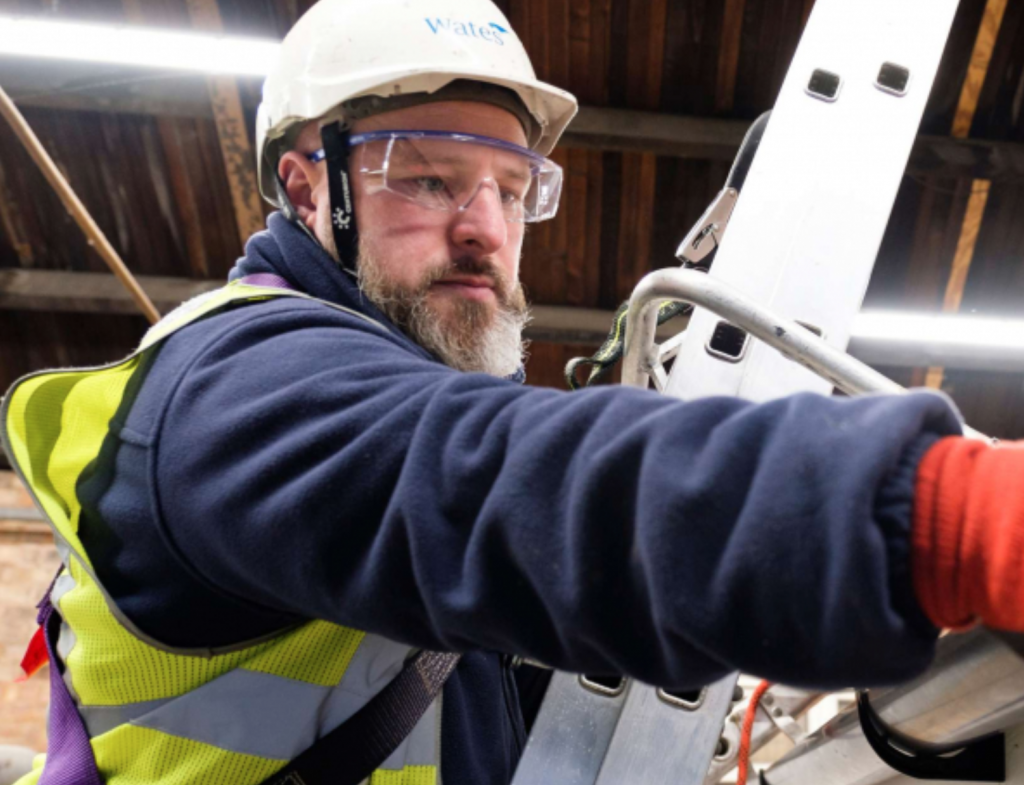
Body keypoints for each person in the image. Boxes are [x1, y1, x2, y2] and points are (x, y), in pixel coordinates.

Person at [3, 0, 1023, 783]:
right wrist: (949, 519)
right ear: (308, 187)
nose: (487, 228)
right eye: (428, 177)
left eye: (511, 186)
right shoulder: (229, 386)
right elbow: (493, 481)